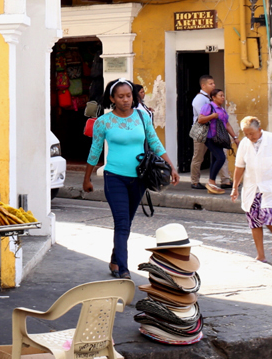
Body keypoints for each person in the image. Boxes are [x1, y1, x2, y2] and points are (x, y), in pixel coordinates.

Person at [83, 79, 179, 279]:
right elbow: (95, 150)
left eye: (128, 96)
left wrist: (171, 165)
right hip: (114, 177)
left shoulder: (142, 117)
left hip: (139, 178)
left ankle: (115, 260)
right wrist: (87, 178)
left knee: (126, 221)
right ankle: (124, 269)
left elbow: (154, 141)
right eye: (121, 96)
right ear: (112, 98)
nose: (126, 100)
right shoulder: (103, 122)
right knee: (121, 222)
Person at [230, 116, 272, 262]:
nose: (249, 137)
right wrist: (235, 187)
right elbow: (239, 167)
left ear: (260, 130)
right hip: (252, 188)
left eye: (252, 133)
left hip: (271, 186)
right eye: (246, 134)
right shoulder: (244, 144)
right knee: (254, 222)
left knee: (269, 219)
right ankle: (260, 255)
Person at [198, 88, 238, 194]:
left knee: (215, 159)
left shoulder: (222, 110)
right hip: (210, 137)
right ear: (213, 97)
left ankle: (212, 184)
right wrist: (212, 116)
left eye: (223, 95)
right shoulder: (208, 107)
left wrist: (235, 137)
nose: (223, 98)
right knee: (221, 158)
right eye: (220, 96)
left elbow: (227, 125)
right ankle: (211, 181)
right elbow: (200, 119)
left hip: (219, 138)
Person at [189, 74, 216, 191]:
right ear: (203, 85)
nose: (213, 85)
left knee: (219, 155)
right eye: (211, 84)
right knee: (198, 157)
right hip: (201, 132)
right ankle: (194, 181)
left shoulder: (208, 98)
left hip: (210, 131)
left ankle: (225, 179)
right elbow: (202, 117)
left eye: (213, 83)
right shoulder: (200, 99)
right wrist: (214, 115)